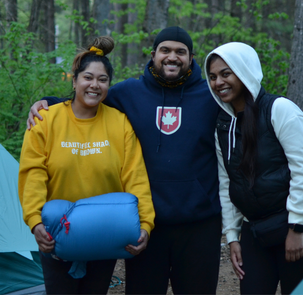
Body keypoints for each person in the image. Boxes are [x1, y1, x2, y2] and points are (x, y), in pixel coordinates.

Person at [29, 26, 222, 295]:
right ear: (153, 54)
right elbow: (86, 100)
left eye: (181, 51)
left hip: (199, 224)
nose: (172, 57)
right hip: (148, 228)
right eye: (165, 50)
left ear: (191, 58)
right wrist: (47, 103)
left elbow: (241, 112)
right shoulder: (129, 93)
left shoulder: (211, 97)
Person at [19, 36, 155, 295]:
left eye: (102, 80)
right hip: (56, 233)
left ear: (109, 86)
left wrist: (146, 224)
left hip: (105, 233)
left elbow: (135, 176)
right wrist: (35, 220)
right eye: (88, 78)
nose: (95, 85)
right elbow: (32, 172)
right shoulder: (46, 120)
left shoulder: (119, 123)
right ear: (74, 80)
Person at [204, 42, 303, 295]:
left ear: (244, 71)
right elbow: (227, 181)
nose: (218, 82)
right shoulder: (222, 125)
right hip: (258, 227)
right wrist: (232, 235)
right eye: (212, 77)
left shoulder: (280, 110)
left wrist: (296, 227)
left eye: (225, 73)